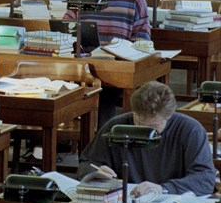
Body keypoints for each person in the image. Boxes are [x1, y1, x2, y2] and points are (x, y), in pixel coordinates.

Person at [78, 81, 216, 196]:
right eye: (139, 123)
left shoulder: (190, 130)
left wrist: (163, 189)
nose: (144, 131)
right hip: (124, 200)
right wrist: (95, 172)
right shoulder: (116, 126)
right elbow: (87, 162)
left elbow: (204, 180)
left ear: (169, 116)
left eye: (154, 126)